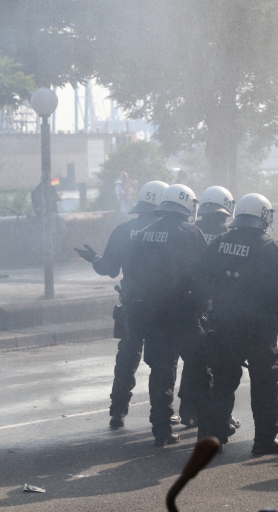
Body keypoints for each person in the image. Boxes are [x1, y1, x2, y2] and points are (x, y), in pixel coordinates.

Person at [199, 193, 278, 455]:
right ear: (264, 216)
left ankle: (216, 437)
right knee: (264, 385)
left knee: (222, 384)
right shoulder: (271, 247)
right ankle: (264, 441)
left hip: (224, 327)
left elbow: (203, 275)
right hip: (260, 330)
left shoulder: (220, 242)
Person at [74, 181, 176, 429]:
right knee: (163, 360)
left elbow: (108, 269)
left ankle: (117, 412)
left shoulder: (123, 230)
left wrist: (94, 258)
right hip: (161, 306)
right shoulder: (171, 231)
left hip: (131, 304)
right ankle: (161, 414)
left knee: (127, 357)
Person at [124, 184, 212, 447]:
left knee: (161, 373)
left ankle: (161, 430)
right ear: (186, 205)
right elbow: (206, 271)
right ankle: (206, 430)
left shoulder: (145, 233)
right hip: (185, 314)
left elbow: (130, 273)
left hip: (154, 315)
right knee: (199, 369)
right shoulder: (191, 233)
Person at [177, 186, 241, 431]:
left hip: (193, 303)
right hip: (220, 306)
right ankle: (219, 416)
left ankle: (187, 410)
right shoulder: (230, 234)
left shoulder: (192, 230)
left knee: (193, 360)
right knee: (219, 363)